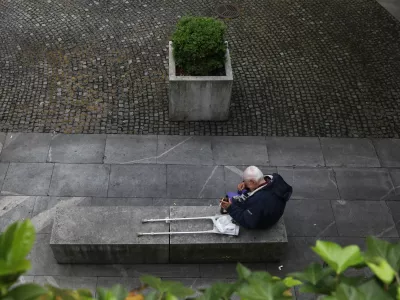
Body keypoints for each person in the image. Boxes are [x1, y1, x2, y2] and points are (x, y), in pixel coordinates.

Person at [220, 166, 292, 229]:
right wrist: (246, 184)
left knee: (231, 198)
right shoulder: (274, 179)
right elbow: (257, 185)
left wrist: (230, 208)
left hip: (262, 222)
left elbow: (247, 222)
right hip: (271, 211)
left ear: (252, 182)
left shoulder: (258, 201)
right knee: (237, 194)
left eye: (247, 182)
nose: (245, 184)